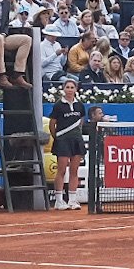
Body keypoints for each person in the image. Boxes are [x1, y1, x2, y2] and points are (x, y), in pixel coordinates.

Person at [47, 80, 86, 210]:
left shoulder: (80, 105)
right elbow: (52, 124)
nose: (70, 89)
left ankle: (72, 200)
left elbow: (81, 121)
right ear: (64, 89)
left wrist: (76, 135)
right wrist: (58, 137)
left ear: (76, 89)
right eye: (67, 87)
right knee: (62, 170)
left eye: (72, 87)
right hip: (62, 141)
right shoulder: (58, 105)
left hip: (76, 140)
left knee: (74, 171)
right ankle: (59, 201)